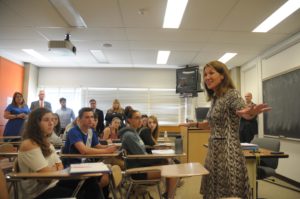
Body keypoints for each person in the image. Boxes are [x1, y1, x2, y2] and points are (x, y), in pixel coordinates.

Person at [180, 61, 271, 199]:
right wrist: (194, 125)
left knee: (229, 191)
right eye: (205, 74)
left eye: (211, 73)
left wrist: (251, 112)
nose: (207, 77)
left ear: (222, 75)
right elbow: (210, 124)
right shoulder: (215, 98)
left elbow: (243, 112)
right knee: (213, 189)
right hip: (213, 150)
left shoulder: (232, 94)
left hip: (228, 151)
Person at [118, 109, 177, 199]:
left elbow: (143, 153)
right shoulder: (129, 136)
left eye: (140, 118)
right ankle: (169, 196)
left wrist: (162, 159)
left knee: (170, 165)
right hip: (138, 171)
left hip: (141, 166)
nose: (140, 120)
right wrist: (162, 159)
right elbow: (142, 157)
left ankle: (168, 195)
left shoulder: (134, 133)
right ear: (129, 120)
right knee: (172, 170)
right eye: (137, 118)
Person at [17, 108, 74, 199]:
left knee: (90, 182)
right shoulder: (29, 144)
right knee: (84, 193)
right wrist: (54, 169)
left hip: (53, 184)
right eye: (46, 120)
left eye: (52, 120)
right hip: (38, 193)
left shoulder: (47, 142)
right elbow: (47, 177)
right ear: (35, 124)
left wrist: (53, 169)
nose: (51, 123)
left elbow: (60, 165)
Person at [63, 107, 118, 198]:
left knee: (107, 174)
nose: (90, 119)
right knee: (96, 180)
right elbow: (83, 150)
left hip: (86, 164)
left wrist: (110, 147)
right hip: (74, 166)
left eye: (92, 117)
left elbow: (97, 146)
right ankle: (89, 194)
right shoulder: (73, 131)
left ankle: (98, 195)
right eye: (87, 117)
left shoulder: (91, 131)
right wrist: (106, 151)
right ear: (79, 119)